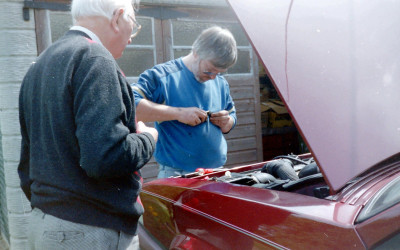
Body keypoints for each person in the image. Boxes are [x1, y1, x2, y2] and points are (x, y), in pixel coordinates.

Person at [18, 0, 158, 249]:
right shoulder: (95, 58)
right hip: (90, 230)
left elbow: (27, 162)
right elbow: (105, 157)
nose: (132, 38)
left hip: (44, 224)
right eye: (133, 26)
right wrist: (148, 138)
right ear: (118, 18)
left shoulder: (39, 64)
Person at [132, 26, 237, 178]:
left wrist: (227, 122)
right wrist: (178, 113)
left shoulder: (220, 82)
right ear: (196, 53)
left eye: (219, 72)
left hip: (218, 172)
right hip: (177, 174)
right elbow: (130, 106)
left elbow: (232, 114)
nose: (213, 77)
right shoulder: (162, 76)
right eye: (209, 70)